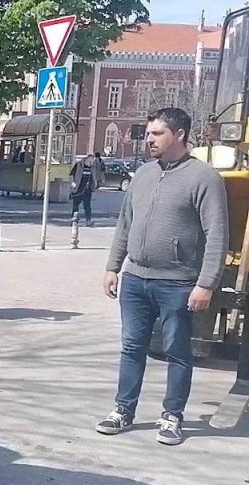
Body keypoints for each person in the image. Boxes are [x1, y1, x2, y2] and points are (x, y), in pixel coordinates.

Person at [99, 107, 228, 446]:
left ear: (179, 134)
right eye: (148, 133)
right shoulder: (143, 174)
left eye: (156, 134)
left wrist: (206, 284)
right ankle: (123, 410)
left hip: (178, 283)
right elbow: (125, 224)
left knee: (177, 351)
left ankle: (172, 416)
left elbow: (217, 234)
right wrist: (113, 267)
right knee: (131, 347)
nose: (149, 139)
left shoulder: (204, 178)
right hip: (135, 280)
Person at [69, 154, 103, 226]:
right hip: (78, 189)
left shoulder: (93, 168)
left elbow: (95, 177)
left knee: (87, 206)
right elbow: (72, 174)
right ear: (86, 160)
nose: (90, 164)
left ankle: (88, 220)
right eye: (89, 162)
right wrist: (72, 183)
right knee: (75, 205)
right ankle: (74, 219)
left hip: (87, 190)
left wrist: (95, 185)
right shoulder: (79, 165)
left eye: (92, 162)